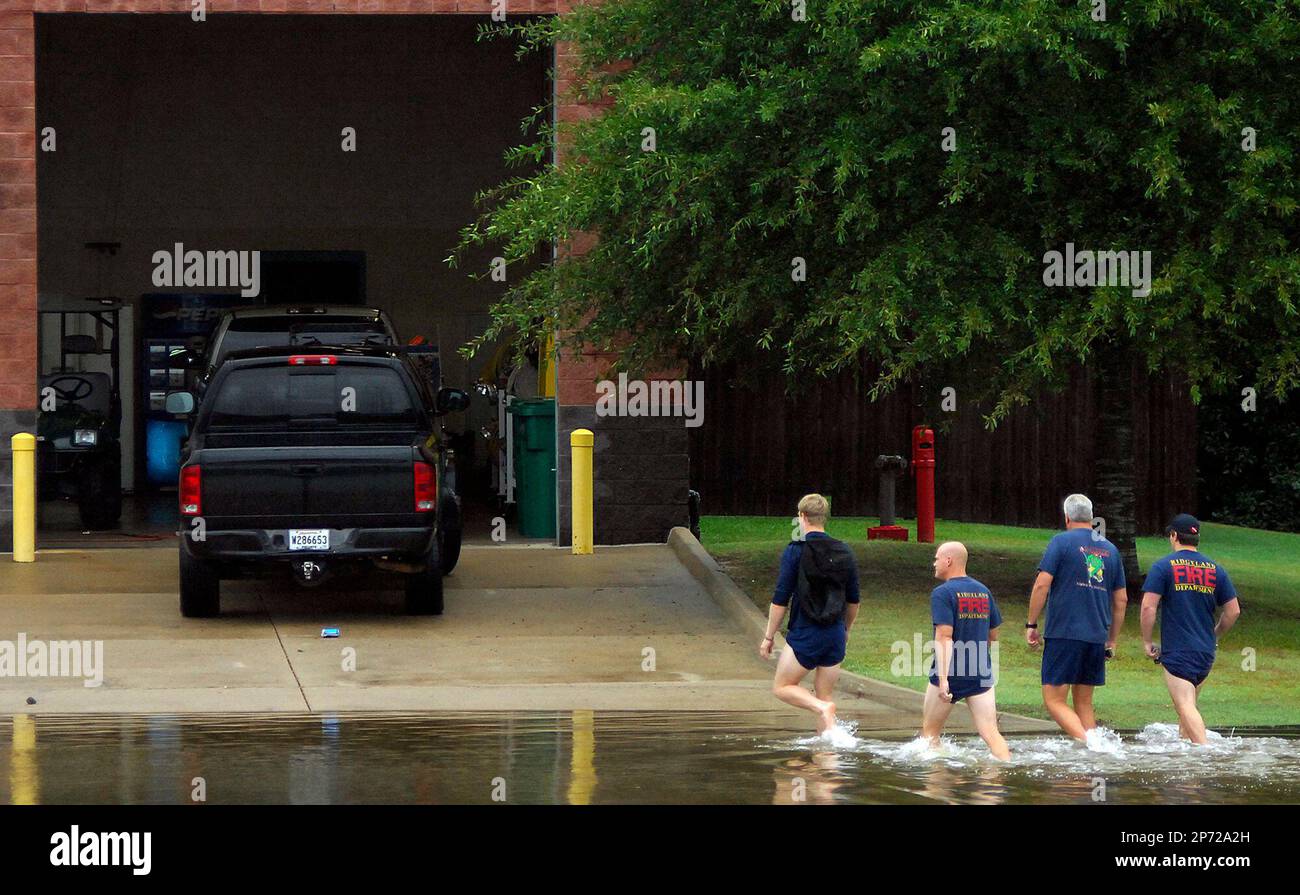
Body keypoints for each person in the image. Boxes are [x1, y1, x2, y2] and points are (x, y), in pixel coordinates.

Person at [1025, 493, 1128, 741]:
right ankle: (1093, 762)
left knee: (1054, 700)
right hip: (1096, 636)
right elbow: (1121, 599)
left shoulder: (1062, 542)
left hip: (1065, 633)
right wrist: (1111, 640)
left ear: (1067, 517)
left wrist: (1031, 623)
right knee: (1084, 704)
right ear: (1092, 518)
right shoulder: (1110, 550)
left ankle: (1093, 746)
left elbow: (1042, 585)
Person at [759, 494, 861, 734]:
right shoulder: (844, 551)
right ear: (823, 517)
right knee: (826, 696)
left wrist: (769, 636)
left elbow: (780, 598)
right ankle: (828, 757)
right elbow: (853, 600)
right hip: (835, 632)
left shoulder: (796, 551)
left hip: (807, 632)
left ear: (802, 516)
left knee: (783, 686)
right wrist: (846, 630)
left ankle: (821, 709)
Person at [1140, 514, 1241, 744]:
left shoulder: (1163, 567)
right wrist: (1214, 634)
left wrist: (1147, 641)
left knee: (1185, 706)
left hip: (1178, 651)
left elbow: (1148, 607)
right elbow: (1233, 611)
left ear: (1174, 536)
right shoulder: (1216, 570)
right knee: (1188, 709)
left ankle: (1206, 754)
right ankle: (1188, 769)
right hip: (1205, 652)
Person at [920, 541, 1010, 760]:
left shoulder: (942, 593)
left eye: (936, 558)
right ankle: (1002, 777)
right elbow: (993, 634)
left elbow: (944, 636)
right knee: (991, 733)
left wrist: (943, 680)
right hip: (980, 672)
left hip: (951, 672)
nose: (934, 563)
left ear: (948, 560)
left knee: (930, 734)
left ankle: (936, 789)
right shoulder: (983, 591)